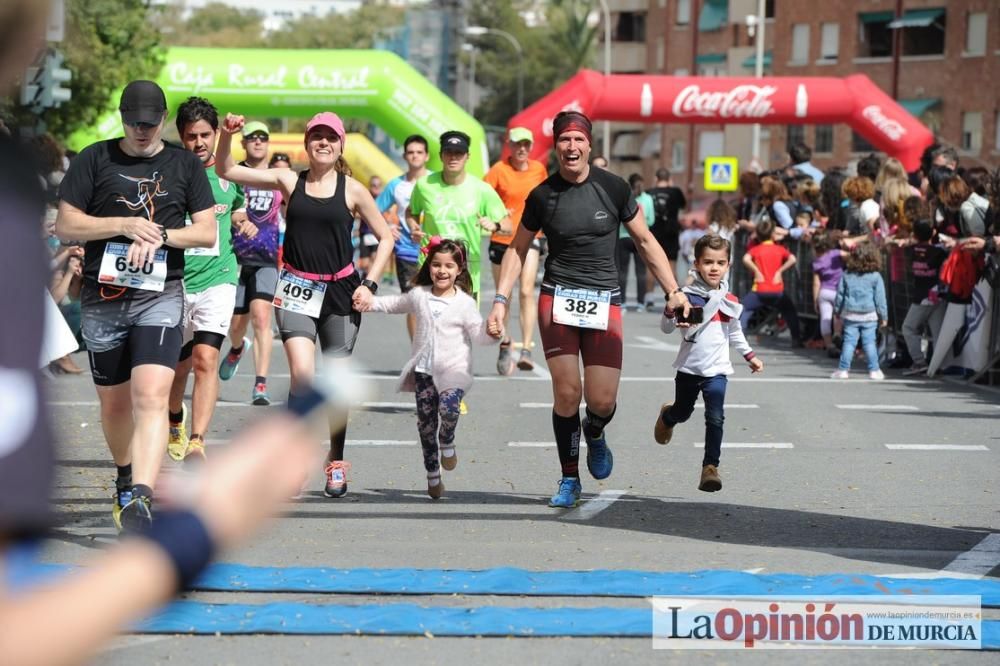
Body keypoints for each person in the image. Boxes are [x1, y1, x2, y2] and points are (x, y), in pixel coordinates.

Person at [487, 111, 688, 508]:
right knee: (566, 392)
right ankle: (569, 478)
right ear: (557, 146)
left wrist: (674, 291)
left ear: (589, 145)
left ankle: (594, 430)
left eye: (579, 140)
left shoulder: (613, 189)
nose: (572, 147)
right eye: (564, 140)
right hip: (557, 297)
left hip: (604, 299)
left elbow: (646, 242)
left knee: (601, 401)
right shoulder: (543, 195)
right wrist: (500, 300)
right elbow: (517, 248)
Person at [56, 80, 218, 532]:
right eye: (133, 123)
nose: (141, 131)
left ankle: (142, 497)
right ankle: (126, 478)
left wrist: (162, 235)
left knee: (150, 396)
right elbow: (67, 221)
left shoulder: (184, 163)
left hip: (160, 295)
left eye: (149, 123)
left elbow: (206, 232)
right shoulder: (95, 157)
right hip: (103, 298)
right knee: (114, 407)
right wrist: (124, 225)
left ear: (163, 120)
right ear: (122, 117)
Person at [216, 110, 394, 499]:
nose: (323, 143)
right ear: (307, 143)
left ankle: (335, 462)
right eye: (317, 137)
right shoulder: (287, 180)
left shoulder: (353, 190)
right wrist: (228, 135)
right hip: (296, 287)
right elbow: (227, 170)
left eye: (331, 137)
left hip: (341, 293)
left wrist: (371, 284)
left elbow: (385, 239)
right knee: (302, 376)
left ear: (341, 144)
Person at [361, 237, 500, 498]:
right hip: (424, 371)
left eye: (449, 266)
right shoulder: (419, 296)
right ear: (429, 266)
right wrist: (367, 303)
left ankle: (447, 439)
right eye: (436, 264)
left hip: (454, 370)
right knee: (426, 425)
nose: (442, 271)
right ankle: (433, 475)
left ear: (459, 270)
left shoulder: (465, 303)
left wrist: (494, 333)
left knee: (448, 409)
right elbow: (393, 304)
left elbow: (480, 336)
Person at [166, 97, 255, 463]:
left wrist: (243, 222)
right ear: (181, 137)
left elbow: (237, 210)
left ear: (215, 134)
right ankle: (175, 421)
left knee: (205, 359)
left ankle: (198, 441)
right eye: (191, 136)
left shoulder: (228, 174)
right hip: (176, 282)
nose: (199, 142)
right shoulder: (170, 175)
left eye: (205, 134)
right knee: (178, 367)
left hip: (219, 279)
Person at [654, 235, 763, 491]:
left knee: (715, 417)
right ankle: (668, 416)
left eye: (720, 262)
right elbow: (667, 328)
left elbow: (735, 332)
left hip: (717, 371)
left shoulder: (730, 301)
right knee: (684, 411)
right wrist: (670, 308)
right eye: (708, 262)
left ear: (728, 265)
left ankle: (710, 467)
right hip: (689, 369)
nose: (714, 268)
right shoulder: (686, 296)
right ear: (697, 264)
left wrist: (750, 356)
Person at [406, 130, 510, 300]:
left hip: (465, 271)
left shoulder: (481, 189)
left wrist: (496, 226)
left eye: (459, 153)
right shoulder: (424, 185)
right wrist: (413, 226)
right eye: (449, 152)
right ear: (440, 155)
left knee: (462, 326)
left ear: (467, 156)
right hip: (431, 267)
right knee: (429, 325)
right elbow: (411, 211)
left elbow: (508, 225)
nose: (453, 157)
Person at [484, 127, 548, 373]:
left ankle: (527, 349)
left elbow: (546, 200)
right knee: (505, 295)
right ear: (509, 145)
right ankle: (506, 341)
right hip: (502, 238)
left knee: (525, 291)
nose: (521, 149)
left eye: (526, 145)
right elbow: (482, 198)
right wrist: (493, 218)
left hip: (531, 236)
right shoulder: (498, 170)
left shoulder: (538, 170)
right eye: (517, 144)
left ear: (531, 147)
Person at [375, 134, 431, 340]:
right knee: (414, 303)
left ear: (427, 156)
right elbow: (370, 210)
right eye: (411, 152)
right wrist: (387, 227)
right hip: (407, 252)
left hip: (436, 253)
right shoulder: (395, 185)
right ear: (405, 156)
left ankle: (435, 353)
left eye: (419, 152)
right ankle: (419, 356)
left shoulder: (437, 181)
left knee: (436, 305)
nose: (415, 156)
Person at [738, 219, 802, 346]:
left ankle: (739, 337)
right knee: (789, 311)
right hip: (777, 290)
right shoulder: (779, 249)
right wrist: (780, 271)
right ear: (773, 234)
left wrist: (756, 271)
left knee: (743, 309)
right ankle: (796, 339)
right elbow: (793, 259)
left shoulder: (756, 249)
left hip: (759, 290)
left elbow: (745, 258)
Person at [831, 243, 888, 380]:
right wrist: (883, 316)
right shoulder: (876, 276)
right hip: (870, 314)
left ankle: (843, 369)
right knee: (869, 342)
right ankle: (874, 370)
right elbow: (880, 299)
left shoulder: (847, 275)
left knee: (849, 342)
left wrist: (837, 311)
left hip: (851, 313)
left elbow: (840, 296)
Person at [900, 220, 947, 376]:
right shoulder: (939, 251)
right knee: (938, 332)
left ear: (914, 234)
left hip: (922, 296)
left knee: (908, 327)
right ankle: (940, 363)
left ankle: (919, 361)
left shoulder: (911, 250)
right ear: (933, 232)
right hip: (938, 294)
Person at [646, 167, 688, 303]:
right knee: (671, 266)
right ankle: (674, 296)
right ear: (669, 179)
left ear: (656, 179)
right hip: (671, 232)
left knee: (651, 265)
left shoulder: (649, 193)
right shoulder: (675, 192)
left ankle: (649, 297)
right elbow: (683, 206)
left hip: (653, 232)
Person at [616, 173, 654, 310]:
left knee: (623, 272)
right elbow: (651, 220)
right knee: (641, 272)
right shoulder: (648, 199)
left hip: (623, 237)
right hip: (640, 238)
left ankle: (623, 302)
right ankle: (640, 303)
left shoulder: (623, 196)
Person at [811, 231, 847, 355]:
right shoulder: (836, 254)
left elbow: (816, 283)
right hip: (838, 291)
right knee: (838, 315)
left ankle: (829, 345)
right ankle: (837, 333)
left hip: (824, 291)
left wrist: (815, 299)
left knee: (825, 318)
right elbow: (850, 256)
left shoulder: (817, 262)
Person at [356, 175, 383, 278]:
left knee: (374, 259)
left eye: (378, 185)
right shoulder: (365, 197)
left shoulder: (383, 199)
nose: (376, 187)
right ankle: (365, 277)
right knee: (365, 264)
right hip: (365, 234)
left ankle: (369, 281)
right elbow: (356, 213)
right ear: (370, 186)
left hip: (377, 235)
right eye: (373, 185)